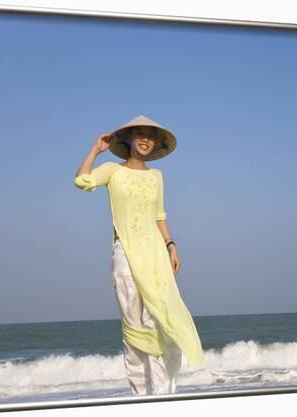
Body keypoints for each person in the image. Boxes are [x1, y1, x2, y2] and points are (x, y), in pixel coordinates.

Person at [74, 115, 206, 396]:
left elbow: (159, 215)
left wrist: (172, 245)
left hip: (156, 254)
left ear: (156, 143)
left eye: (151, 135)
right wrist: (96, 150)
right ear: (129, 140)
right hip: (125, 254)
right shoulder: (111, 170)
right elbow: (81, 180)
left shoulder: (157, 176)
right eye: (139, 134)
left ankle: (161, 395)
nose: (146, 139)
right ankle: (139, 397)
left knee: (158, 320)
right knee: (133, 326)